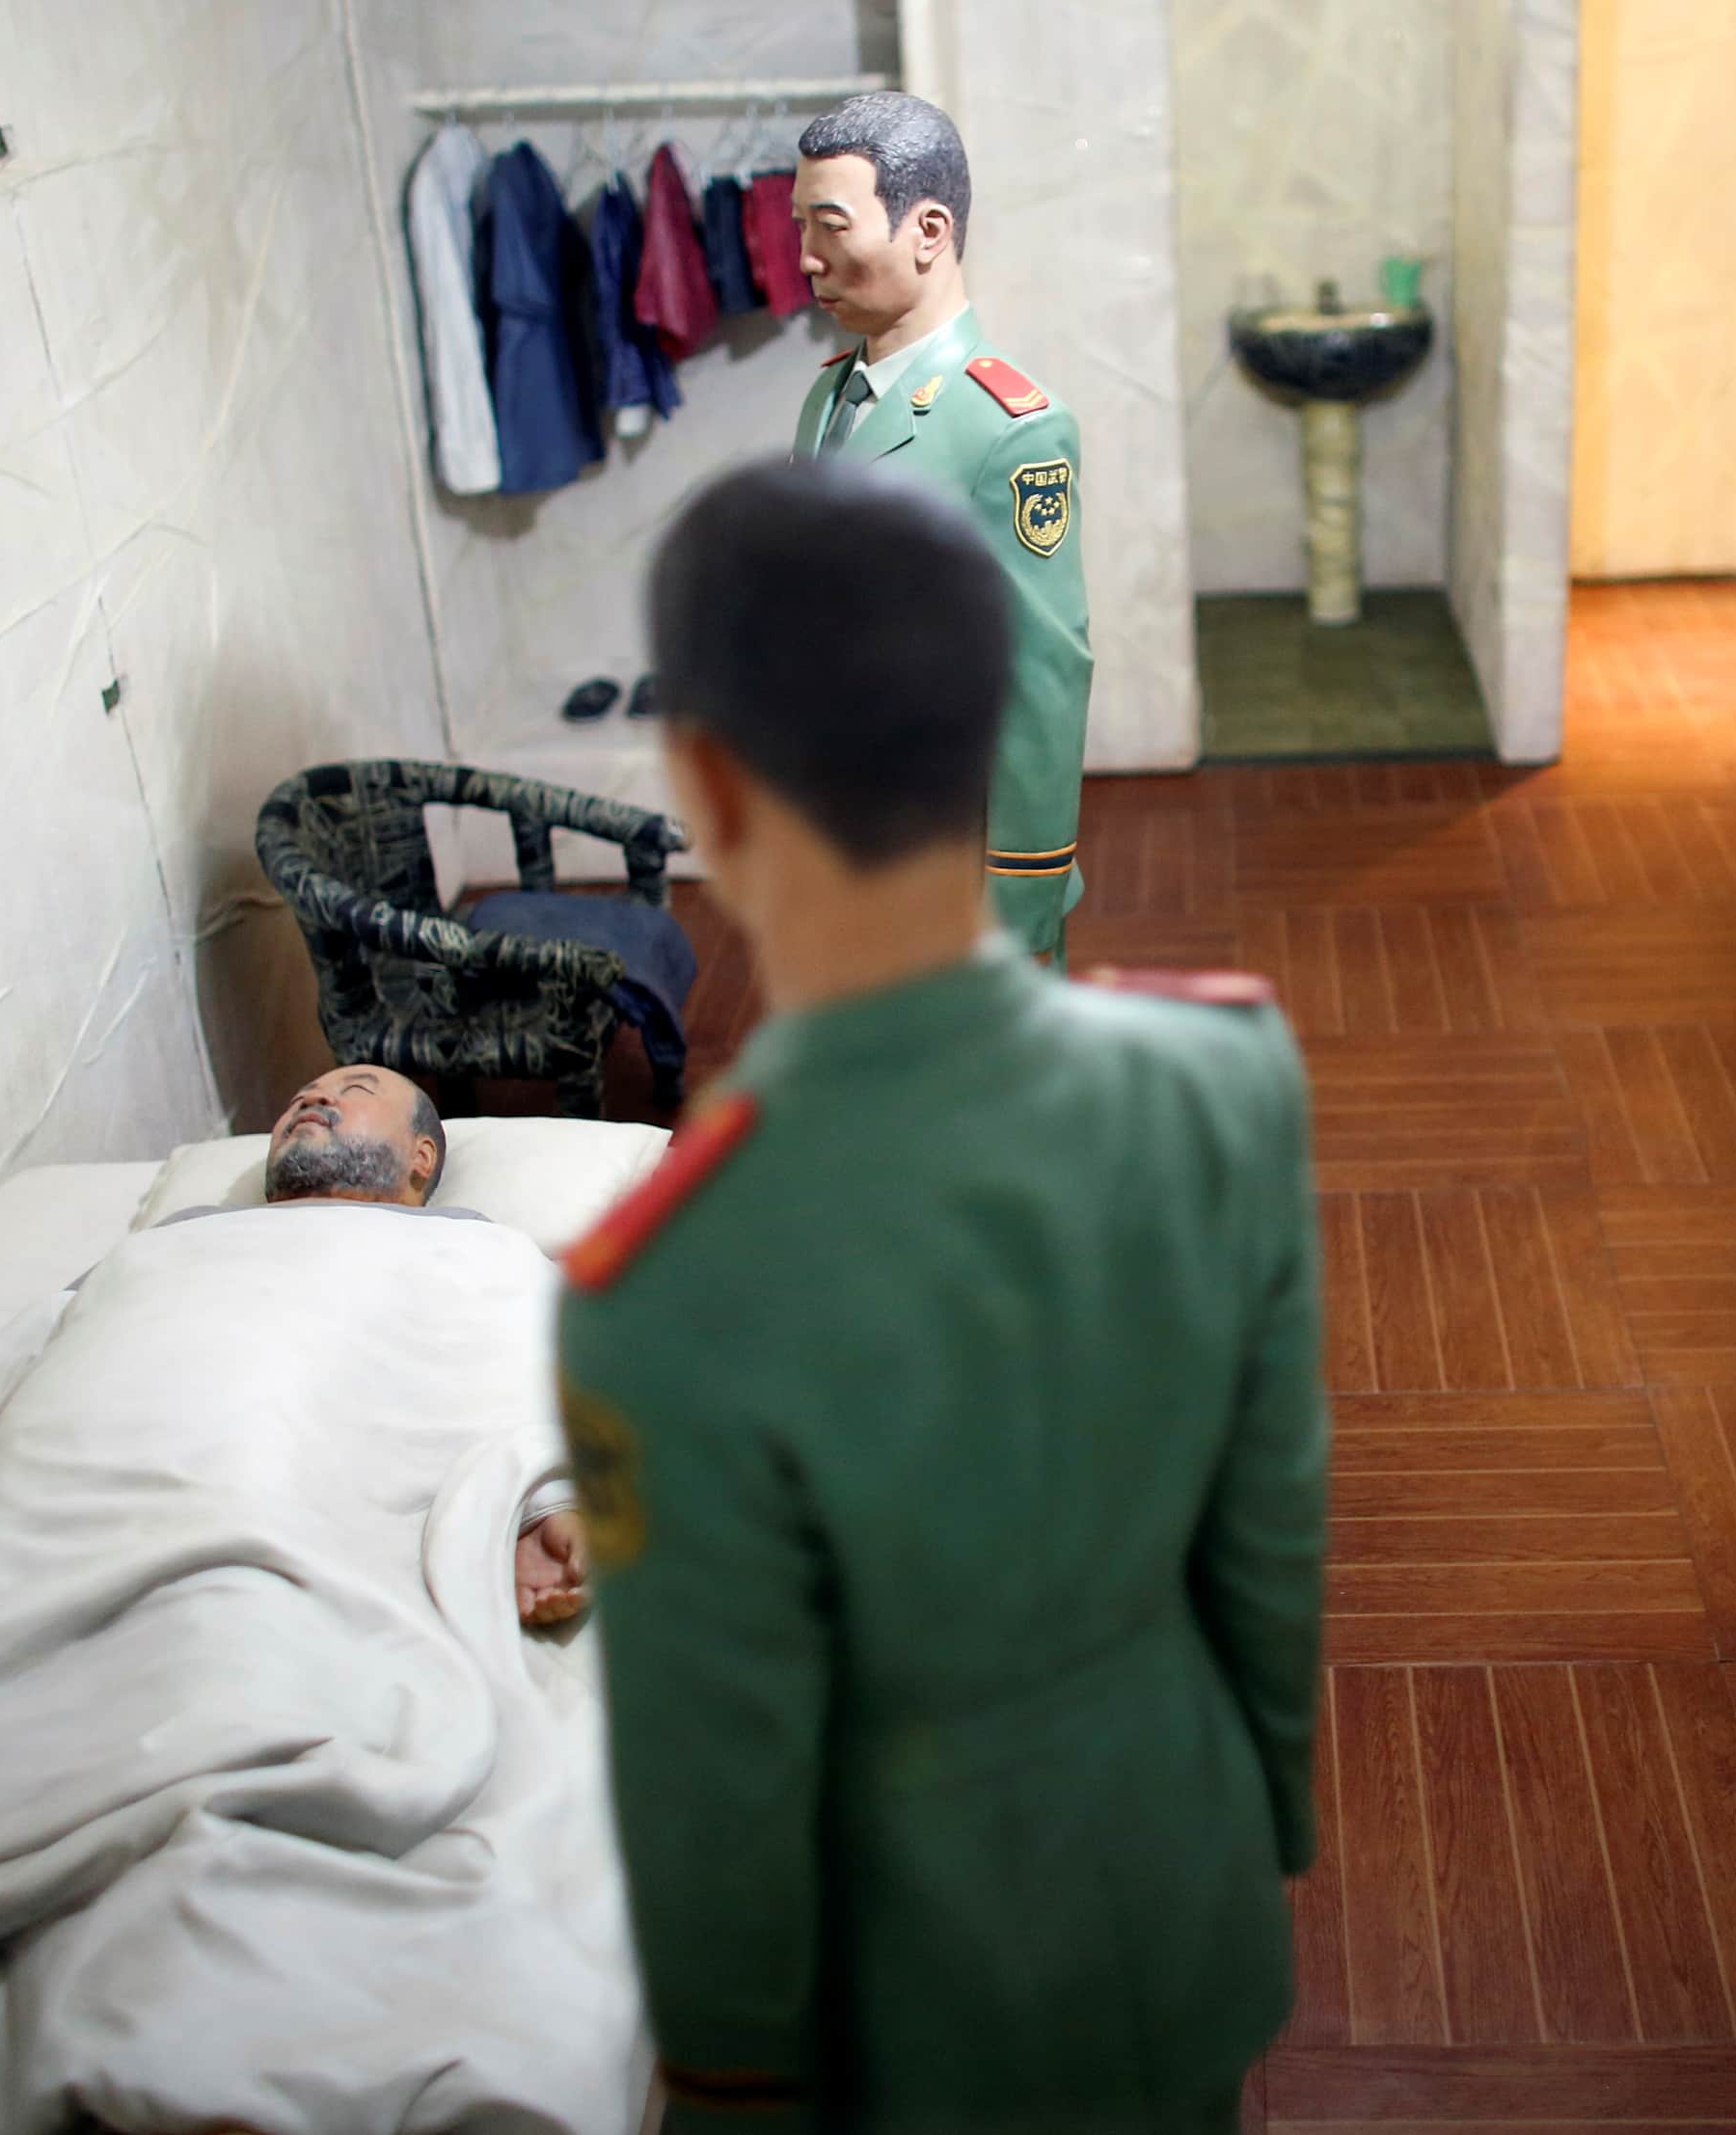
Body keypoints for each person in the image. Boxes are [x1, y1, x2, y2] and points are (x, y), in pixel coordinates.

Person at [557, 457, 1326, 2130]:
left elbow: (713, 1777)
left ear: (708, 783)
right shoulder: (1220, 1081)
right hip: (1176, 1878)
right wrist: (1249, 1822)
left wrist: (719, 2083)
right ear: (989, 722)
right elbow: (1269, 1536)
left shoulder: (665, 1285)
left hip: (917, 1997)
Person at [0, 1063, 590, 1634]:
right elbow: (15, 1362)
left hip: (300, 1533)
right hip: (59, 1536)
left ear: (421, 1158)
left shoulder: (475, 1246)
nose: (311, 1099)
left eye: (353, 1089)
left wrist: (545, 1505)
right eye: (300, 1095)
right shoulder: (171, 1242)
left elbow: (539, 1362)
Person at [789, 90, 1094, 967]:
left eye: (832, 225)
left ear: (928, 231)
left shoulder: (1010, 428)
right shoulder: (828, 397)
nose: (807, 260)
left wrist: (1022, 899)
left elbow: (1045, 679)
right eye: (801, 225)